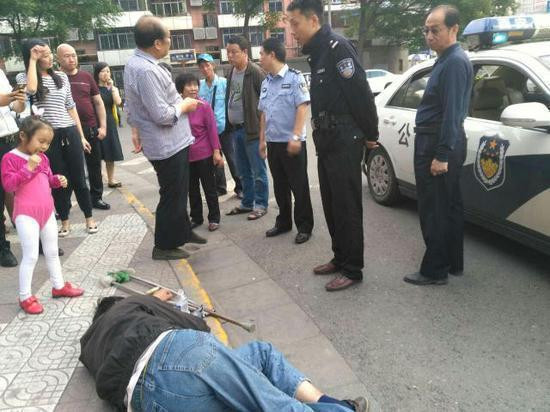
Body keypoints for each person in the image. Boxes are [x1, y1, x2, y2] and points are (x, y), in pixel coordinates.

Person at [80, 289, 369, 412]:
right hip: (174, 353)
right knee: (271, 401)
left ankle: (336, 405)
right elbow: (197, 327)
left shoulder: (88, 347)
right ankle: (339, 409)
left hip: (147, 402)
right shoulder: (129, 305)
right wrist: (155, 300)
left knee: (248, 390)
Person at [287, 0, 379, 291]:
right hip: (327, 137)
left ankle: (353, 268)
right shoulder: (318, 52)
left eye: (295, 24)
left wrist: (371, 134)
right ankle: (340, 257)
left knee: (346, 205)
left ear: (313, 20)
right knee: (330, 203)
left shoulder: (338, 48)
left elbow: (361, 93)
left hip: (344, 137)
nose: (293, 31)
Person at [124, 16, 206, 260]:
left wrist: (136, 128)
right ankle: (164, 245)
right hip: (166, 144)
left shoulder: (138, 64)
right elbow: (162, 115)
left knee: (178, 192)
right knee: (172, 195)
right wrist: (185, 105)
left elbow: (135, 107)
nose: (171, 42)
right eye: (169, 38)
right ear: (157, 43)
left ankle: (183, 232)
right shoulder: (146, 70)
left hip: (172, 142)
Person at [404, 5, 473, 286]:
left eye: (435, 30)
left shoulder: (454, 62)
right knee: (448, 207)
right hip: (437, 140)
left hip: (437, 143)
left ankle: (435, 271)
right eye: (426, 30)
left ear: (453, 29)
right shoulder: (446, 59)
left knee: (434, 210)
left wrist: (442, 155)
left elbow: (452, 113)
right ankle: (452, 262)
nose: (429, 35)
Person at [1, 117, 85, 314]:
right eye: (41, 141)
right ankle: (25, 296)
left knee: (52, 251)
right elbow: (9, 186)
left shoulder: (43, 158)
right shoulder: (10, 158)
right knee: (30, 256)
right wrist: (27, 168)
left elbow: (47, 179)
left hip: (47, 212)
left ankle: (59, 285)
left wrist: (57, 180)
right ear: (23, 136)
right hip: (26, 214)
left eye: (48, 143)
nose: (44, 147)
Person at [16, 39, 98, 237]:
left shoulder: (61, 76)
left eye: (49, 53)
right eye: (44, 55)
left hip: (69, 131)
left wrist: (81, 136)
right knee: (58, 179)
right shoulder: (24, 76)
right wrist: (33, 61)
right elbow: (31, 90)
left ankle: (89, 218)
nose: (50, 58)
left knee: (79, 177)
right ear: (33, 57)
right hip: (47, 137)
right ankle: (65, 221)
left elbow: (71, 107)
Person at [258, 38, 314, 244]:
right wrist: (262, 140)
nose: (260, 58)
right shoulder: (266, 82)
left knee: (299, 186)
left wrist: (296, 136)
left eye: (262, 54)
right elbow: (263, 113)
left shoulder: (295, 77)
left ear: (272, 54)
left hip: (292, 142)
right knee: (280, 186)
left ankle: (304, 226)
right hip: (273, 142)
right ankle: (283, 222)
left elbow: (302, 106)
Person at [56, 44, 111, 210]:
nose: (71, 59)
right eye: (66, 56)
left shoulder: (86, 77)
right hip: (66, 130)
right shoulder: (55, 78)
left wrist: (103, 127)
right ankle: (64, 204)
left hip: (90, 128)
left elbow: (98, 102)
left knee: (94, 165)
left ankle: (96, 198)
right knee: (66, 168)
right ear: (58, 59)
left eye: (73, 55)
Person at [224, 35, 269, 221]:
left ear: (244, 52)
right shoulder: (231, 72)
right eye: (228, 52)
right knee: (243, 171)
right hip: (235, 130)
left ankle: (261, 204)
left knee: (258, 171)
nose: (230, 55)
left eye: (234, 52)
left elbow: (266, 104)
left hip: (252, 130)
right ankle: (247, 202)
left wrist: (263, 134)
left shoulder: (255, 72)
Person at [175, 72, 224, 232]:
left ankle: (214, 218)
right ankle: (196, 217)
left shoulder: (204, 106)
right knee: (192, 189)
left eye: (195, 84)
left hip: (204, 154)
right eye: (189, 85)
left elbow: (212, 130)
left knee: (210, 188)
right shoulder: (177, 108)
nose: (193, 88)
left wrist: (216, 152)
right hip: (185, 155)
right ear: (181, 89)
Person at [197, 53, 243, 198]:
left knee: (233, 159)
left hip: (225, 129)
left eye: (207, 65)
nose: (205, 69)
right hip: (208, 131)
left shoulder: (224, 83)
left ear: (213, 65)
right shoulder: (199, 86)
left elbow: (233, 102)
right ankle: (221, 187)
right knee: (216, 160)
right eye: (202, 66)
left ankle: (240, 187)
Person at [0, 68, 26, 267]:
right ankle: (3, 248)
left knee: (23, 190)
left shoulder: (0, 73)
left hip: (11, 139)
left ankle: (35, 239)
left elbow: (15, 107)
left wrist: (20, 99)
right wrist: (11, 97)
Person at [94, 62, 125, 188]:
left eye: (107, 71)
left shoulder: (112, 88)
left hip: (109, 122)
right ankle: (97, 180)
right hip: (95, 121)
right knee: (96, 153)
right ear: (97, 73)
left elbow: (118, 103)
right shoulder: (93, 88)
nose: (106, 74)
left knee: (110, 152)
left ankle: (111, 180)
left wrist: (112, 88)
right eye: (103, 71)